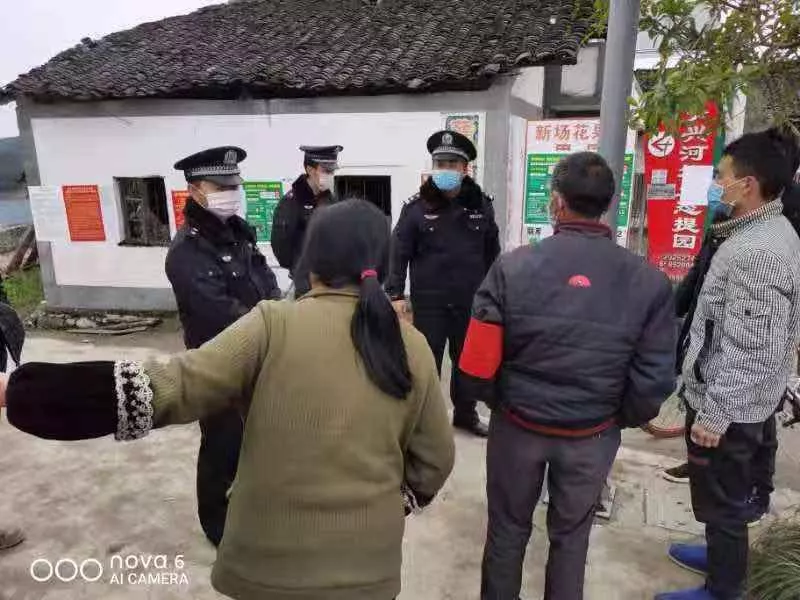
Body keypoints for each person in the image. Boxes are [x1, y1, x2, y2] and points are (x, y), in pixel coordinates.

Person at [1, 199, 455, 600]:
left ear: (311, 263)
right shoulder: (412, 347)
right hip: (368, 573)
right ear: (382, 263)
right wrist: (385, 505)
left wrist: (28, 391)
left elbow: (176, 384)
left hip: (266, 570)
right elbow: (435, 460)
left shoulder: (271, 325)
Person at [459, 151, 676, 600]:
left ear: (557, 202)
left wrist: (502, 403)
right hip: (591, 436)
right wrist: (613, 418)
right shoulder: (649, 281)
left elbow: (477, 364)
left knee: (507, 530)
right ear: (608, 205)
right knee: (571, 537)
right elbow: (654, 379)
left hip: (517, 429)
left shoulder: (511, 267)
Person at [657, 129, 800, 600]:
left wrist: (715, 414)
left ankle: (723, 588)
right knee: (721, 494)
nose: (716, 184)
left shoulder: (757, 252)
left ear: (748, 185)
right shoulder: (764, 232)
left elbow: (751, 347)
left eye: (722, 176)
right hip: (746, 399)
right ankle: (719, 555)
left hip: (732, 407)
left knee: (723, 498)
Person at [166, 146, 281, 547]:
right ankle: (218, 525)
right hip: (216, 364)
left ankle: (253, 510)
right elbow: (216, 312)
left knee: (257, 441)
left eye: (234, 186)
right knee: (222, 444)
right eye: (221, 187)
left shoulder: (239, 233)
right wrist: (270, 326)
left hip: (258, 356)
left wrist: (276, 314)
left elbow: (267, 282)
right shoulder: (187, 250)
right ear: (195, 190)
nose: (231, 193)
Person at [386, 130, 500, 438]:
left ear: (465, 169)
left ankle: (465, 414)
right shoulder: (416, 208)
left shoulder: (481, 205)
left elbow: (493, 254)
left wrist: (494, 295)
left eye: (452, 164)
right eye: (440, 164)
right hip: (429, 303)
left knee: (466, 362)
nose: (445, 170)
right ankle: (424, 420)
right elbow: (398, 252)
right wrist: (395, 294)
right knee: (425, 363)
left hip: (469, 301)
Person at [271, 145, 343, 297]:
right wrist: (299, 269)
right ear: (310, 170)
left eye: (332, 171)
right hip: (306, 283)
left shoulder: (330, 200)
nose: (330, 175)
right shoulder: (291, 202)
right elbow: (281, 246)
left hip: (332, 279)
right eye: (326, 171)